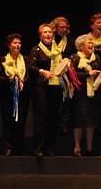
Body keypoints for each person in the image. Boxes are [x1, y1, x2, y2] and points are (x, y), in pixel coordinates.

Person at [29, 23, 65, 157]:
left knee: (53, 117)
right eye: (45, 32)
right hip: (41, 88)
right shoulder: (36, 50)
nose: (48, 34)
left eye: (50, 32)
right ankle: (38, 148)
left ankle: (49, 147)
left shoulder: (58, 51)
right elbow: (31, 67)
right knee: (41, 117)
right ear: (40, 35)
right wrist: (41, 71)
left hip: (55, 87)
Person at [70, 36, 101, 156]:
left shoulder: (96, 58)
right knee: (79, 120)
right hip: (80, 93)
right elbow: (72, 75)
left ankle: (89, 148)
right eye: (89, 43)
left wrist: (100, 74)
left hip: (94, 92)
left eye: (92, 44)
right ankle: (77, 147)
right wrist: (87, 74)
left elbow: (99, 71)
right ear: (81, 46)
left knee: (91, 120)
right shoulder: (75, 58)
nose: (92, 45)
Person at [0, 33, 30, 156]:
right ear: (9, 45)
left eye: (19, 43)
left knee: (21, 121)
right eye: (15, 43)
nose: (17, 45)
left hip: (23, 96)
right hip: (8, 96)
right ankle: (8, 147)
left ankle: (19, 147)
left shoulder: (26, 59)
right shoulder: (3, 60)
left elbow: (28, 75)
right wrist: (10, 79)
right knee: (8, 121)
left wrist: (23, 80)